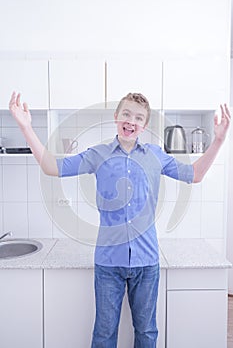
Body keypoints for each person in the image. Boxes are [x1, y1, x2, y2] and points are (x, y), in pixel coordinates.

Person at [9, 91, 231, 347]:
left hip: (146, 263)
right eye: (126, 114)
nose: (131, 121)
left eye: (138, 117)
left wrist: (218, 141)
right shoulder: (97, 154)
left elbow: (194, 174)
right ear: (116, 117)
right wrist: (26, 127)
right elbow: (52, 167)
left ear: (144, 125)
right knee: (104, 334)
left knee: (147, 332)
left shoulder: (155, 156)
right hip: (108, 264)